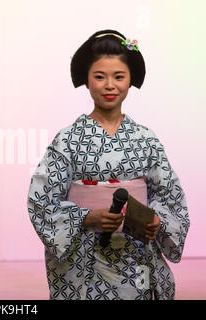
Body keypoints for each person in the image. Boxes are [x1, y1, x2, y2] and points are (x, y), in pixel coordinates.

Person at [27, 29, 189, 300]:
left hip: (136, 252)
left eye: (119, 76)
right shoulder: (67, 138)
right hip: (85, 255)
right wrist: (88, 217)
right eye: (100, 77)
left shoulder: (146, 138)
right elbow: (41, 200)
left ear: (130, 80)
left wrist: (158, 220)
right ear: (87, 81)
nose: (109, 85)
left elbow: (170, 196)